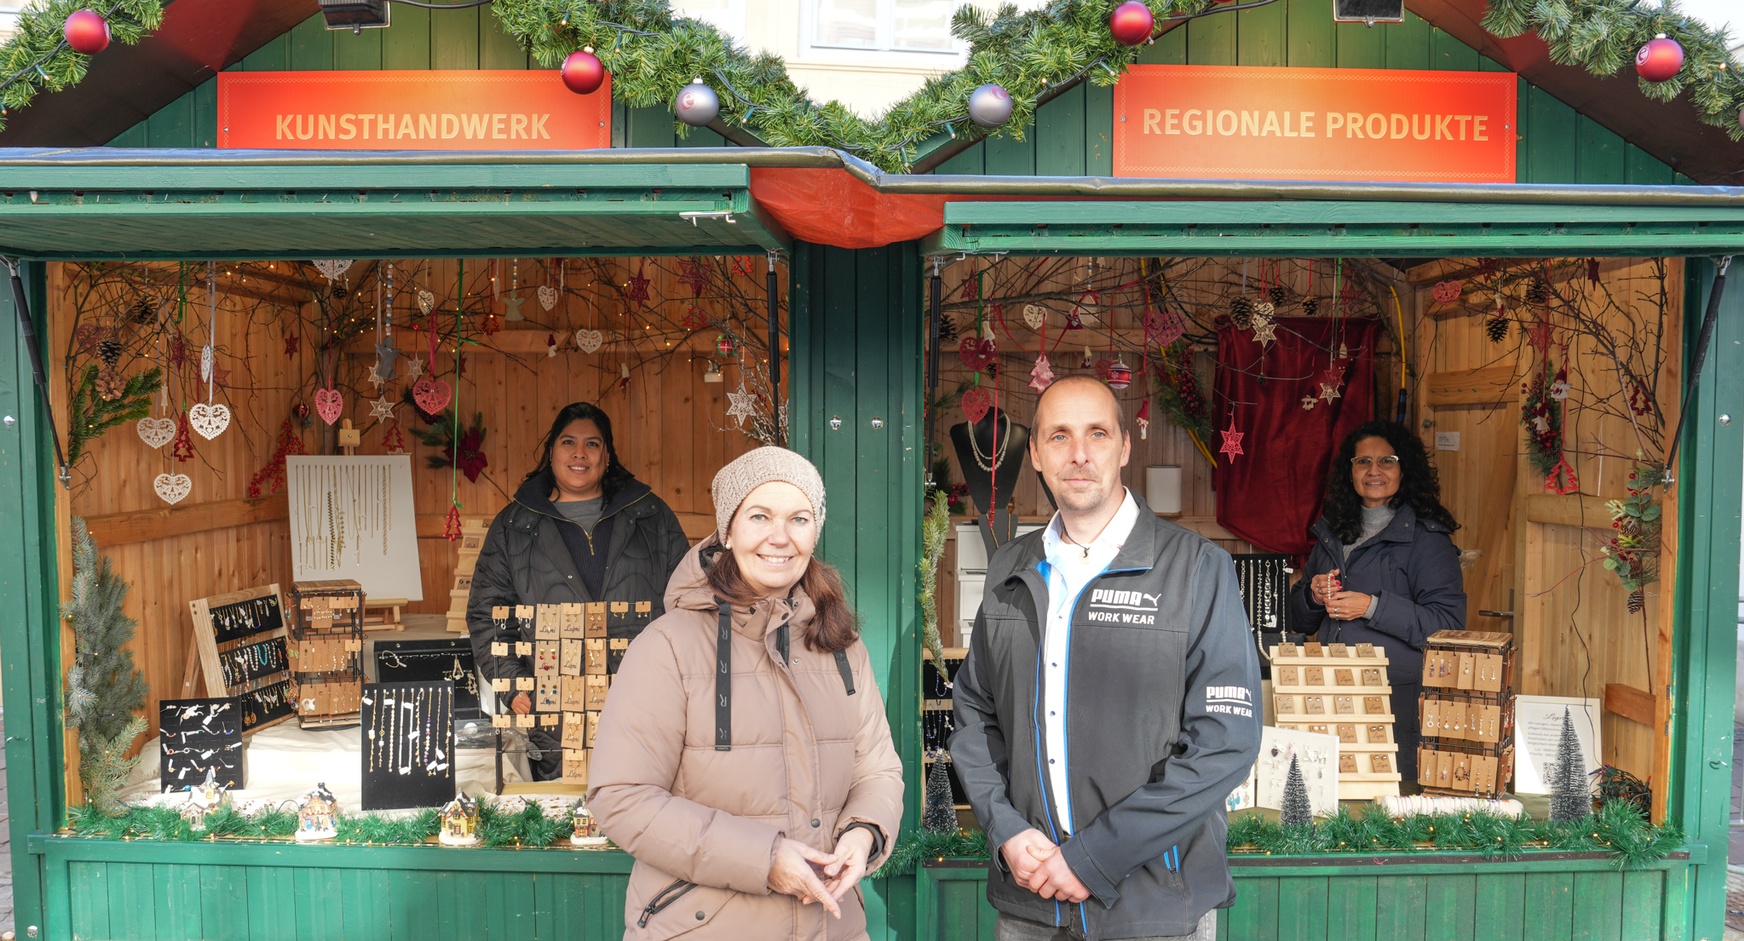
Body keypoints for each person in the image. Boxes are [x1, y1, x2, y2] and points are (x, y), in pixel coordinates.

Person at [951, 376, 1262, 941]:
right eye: (1059, 437)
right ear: (1038, 456)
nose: (1079, 454)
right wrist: (1005, 828)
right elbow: (975, 713)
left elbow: (1225, 743)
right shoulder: (1009, 569)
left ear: (1124, 446)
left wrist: (1092, 857)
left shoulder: (1195, 569)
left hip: (1153, 907)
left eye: (1097, 433)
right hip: (1030, 903)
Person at [588, 447, 904, 941]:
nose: (780, 537)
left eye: (799, 518)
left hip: (832, 926)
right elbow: (620, 796)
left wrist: (864, 833)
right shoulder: (669, 646)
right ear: (728, 531)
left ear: (814, 531)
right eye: (760, 516)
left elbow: (878, 769)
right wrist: (765, 858)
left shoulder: (841, 644)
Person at [467, 402, 691, 780]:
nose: (579, 454)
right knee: (563, 808)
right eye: (568, 442)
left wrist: (678, 679)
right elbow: (488, 612)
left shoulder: (650, 515)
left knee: (644, 794)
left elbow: (688, 600)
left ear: (607, 455)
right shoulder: (514, 524)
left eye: (592, 444)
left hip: (640, 692)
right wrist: (514, 682)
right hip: (554, 699)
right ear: (551, 451)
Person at [1288, 420, 1467, 784]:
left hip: (1393, 700)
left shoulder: (1427, 539)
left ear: (1405, 469)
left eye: (1386, 461)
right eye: (1363, 462)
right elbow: (1299, 620)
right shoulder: (1332, 531)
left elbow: (1447, 626)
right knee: (1326, 801)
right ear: (1349, 471)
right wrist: (1312, 594)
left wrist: (1371, 606)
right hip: (1326, 692)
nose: (1374, 471)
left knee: (1386, 808)